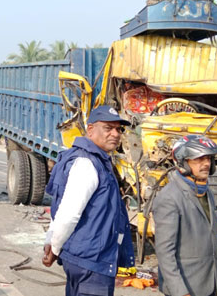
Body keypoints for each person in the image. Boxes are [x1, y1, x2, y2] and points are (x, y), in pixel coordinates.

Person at [42, 105, 134, 296]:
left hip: (86, 258)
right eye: (108, 128)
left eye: (119, 129)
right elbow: (68, 212)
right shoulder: (87, 163)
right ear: (90, 130)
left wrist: (52, 239)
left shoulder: (97, 160)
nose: (115, 134)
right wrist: (55, 246)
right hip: (92, 262)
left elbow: (60, 206)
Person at [153, 135, 217, 296]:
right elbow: (165, 252)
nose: (207, 164)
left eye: (208, 158)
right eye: (199, 159)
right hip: (185, 288)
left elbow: (213, 239)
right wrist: (180, 292)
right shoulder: (170, 197)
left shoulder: (207, 193)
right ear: (183, 163)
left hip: (210, 286)